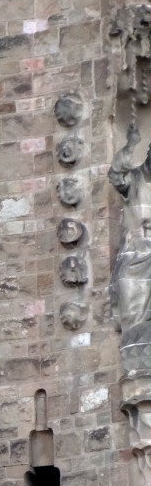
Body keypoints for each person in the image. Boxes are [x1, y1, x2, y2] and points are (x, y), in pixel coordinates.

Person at [109, 122, 151, 331]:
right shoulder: (134, 178)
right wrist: (130, 144)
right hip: (137, 248)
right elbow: (115, 175)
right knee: (128, 285)